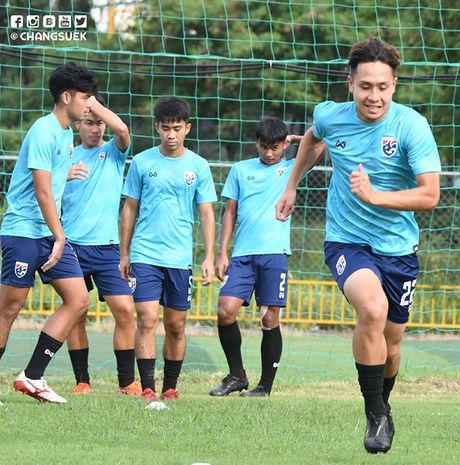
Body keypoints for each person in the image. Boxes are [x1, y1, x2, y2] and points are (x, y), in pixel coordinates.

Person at [276, 38, 441, 453]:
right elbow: (313, 138)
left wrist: (375, 196)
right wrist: (293, 185)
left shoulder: (411, 126)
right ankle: (374, 415)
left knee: (392, 341)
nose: (374, 96)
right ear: (350, 84)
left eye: (383, 87)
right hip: (347, 241)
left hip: (399, 248)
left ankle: (383, 404)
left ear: (395, 85)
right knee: (371, 308)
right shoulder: (332, 116)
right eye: (366, 86)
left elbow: (429, 195)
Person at [0, 63, 98, 403]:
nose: (90, 104)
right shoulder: (43, 131)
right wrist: (60, 237)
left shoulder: (65, 131)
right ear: (66, 97)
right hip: (25, 232)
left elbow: (48, 180)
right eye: (86, 98)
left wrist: (64, 174)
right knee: (9, 309)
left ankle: (33, 376)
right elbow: (42, 192)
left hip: (49, 233)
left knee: (78, 299)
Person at [120, 97, 217, 401]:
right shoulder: (142, 162)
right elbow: (129, 208)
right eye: (165, 128)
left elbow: (206, 213)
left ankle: (170, 387)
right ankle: (148, 387)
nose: (171, 134)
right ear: (157, 128)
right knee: (147, 319)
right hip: (145, 254)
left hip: (179, 259)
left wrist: (209, 257)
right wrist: (124, 252)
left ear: (187, 128)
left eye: (177, 128)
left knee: (176, 326)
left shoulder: (199, 166)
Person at [209, 117, 306, 398]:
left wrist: (295, 139)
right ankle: (237, 375)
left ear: (284, 146)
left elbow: (320, 145)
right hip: (242, 256)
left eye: (275, 147)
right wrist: (222, 252)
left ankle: (265, 386)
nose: (269, 153)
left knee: (269, 318)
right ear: (256, 144)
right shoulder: (240, 170)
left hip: (275, 254)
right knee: (225, 310)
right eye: (264, 146)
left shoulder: (291, 169)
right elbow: (230, 212)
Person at [61, 94, 141, 396]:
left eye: (99, 123)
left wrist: (92, 103)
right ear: (78, 124)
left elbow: (122, 130)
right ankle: (82, 380)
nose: (96, 129)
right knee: (76, 313)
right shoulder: (66, 156)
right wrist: (62, 175)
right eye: (89, 123)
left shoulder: (114, 151)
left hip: (107, 249)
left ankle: (126, 381)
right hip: (72, 248)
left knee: (124, 310)